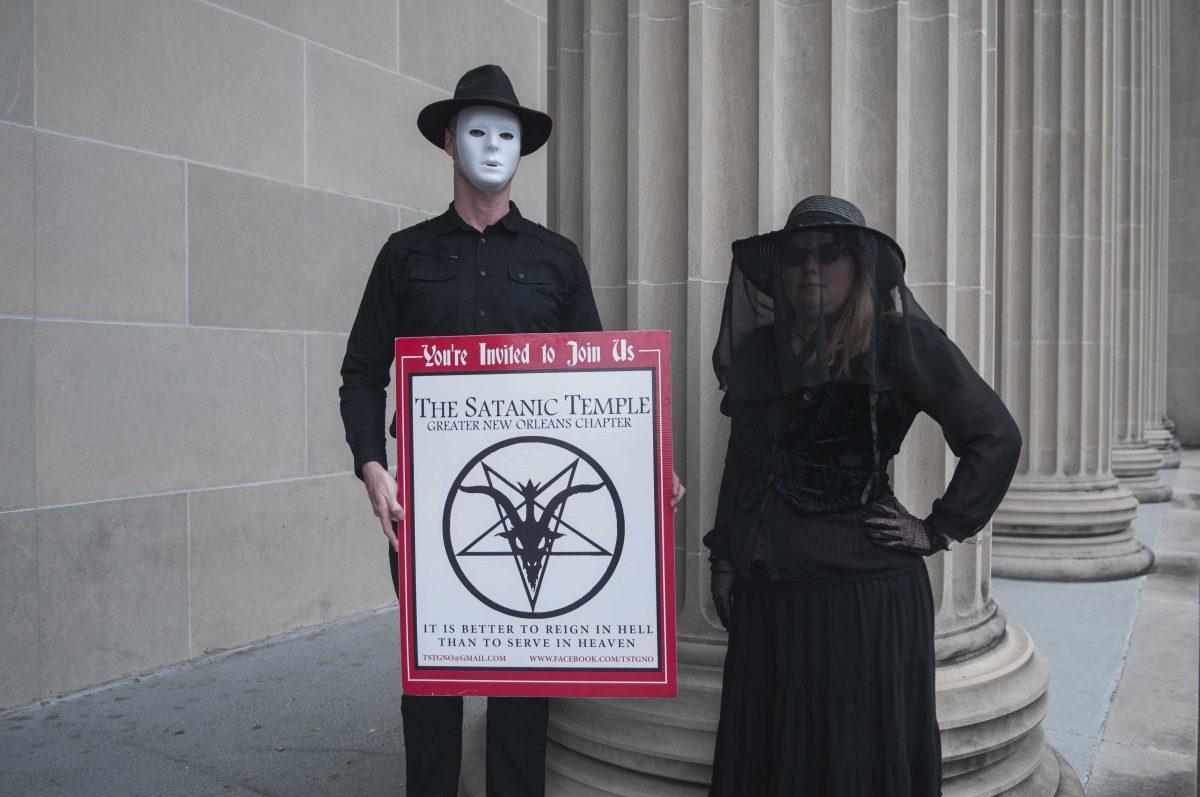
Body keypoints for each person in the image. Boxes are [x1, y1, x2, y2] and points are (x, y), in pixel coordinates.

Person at [339, 64, 683, 796]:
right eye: (477, 131)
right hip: (430, 509)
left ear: (522, 149)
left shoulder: (556, 258)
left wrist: (647, 467)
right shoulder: (405, 256)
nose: (493, 146)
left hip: (533, 503)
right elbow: (362, 372)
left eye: (508, 134)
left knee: (525, 681)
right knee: (430, 682)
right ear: (448, 142)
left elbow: (603, 384)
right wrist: (373, 466)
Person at [704, 195, 1021, 795]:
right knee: (774, 749)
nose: (811, 270)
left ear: (861, 267)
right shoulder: (758, 352)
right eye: (797, 257)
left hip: (861, 597)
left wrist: (940, 526)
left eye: (832, 255)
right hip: (771, 596)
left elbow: (995, 436)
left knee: (853, 752)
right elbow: (742, 461)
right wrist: (725, 555)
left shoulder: (901, 344)